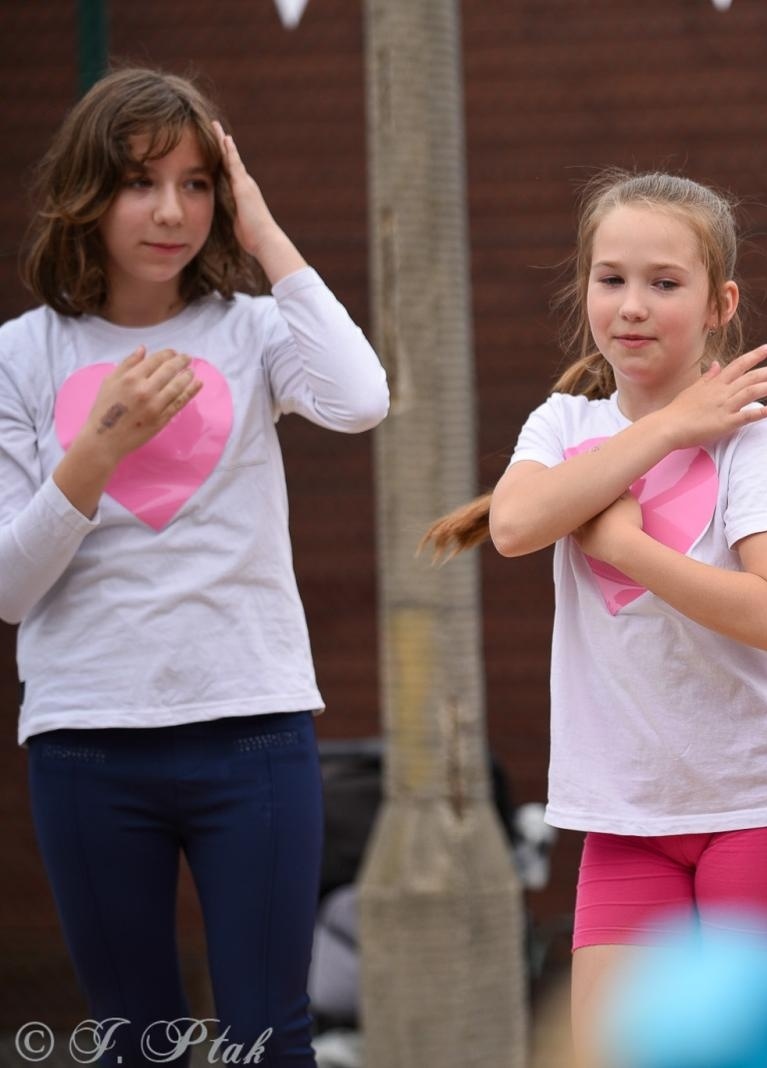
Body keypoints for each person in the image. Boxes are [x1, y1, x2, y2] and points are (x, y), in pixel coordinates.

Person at [1, 68, 389, 1065]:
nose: (172, 210)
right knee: (136, 1040)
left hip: (253, 731)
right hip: (88, 741)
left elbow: (359, 400)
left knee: (272, 1033)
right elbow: (10, 588)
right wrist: (98, 450)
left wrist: (262, 229)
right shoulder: (21, 356)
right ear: (88, 193)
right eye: (140, 182)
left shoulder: (251, 330)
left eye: (198, 183)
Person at [423, 171, 767, 1068]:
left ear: (721, 303)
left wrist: (633, 552)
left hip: (753, 810)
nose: (633, 306)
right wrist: (672, 428)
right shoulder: (564, 424)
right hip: (625, 820)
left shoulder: (754, 433)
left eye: (664, 283)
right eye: (612, 279)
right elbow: (519, 526)